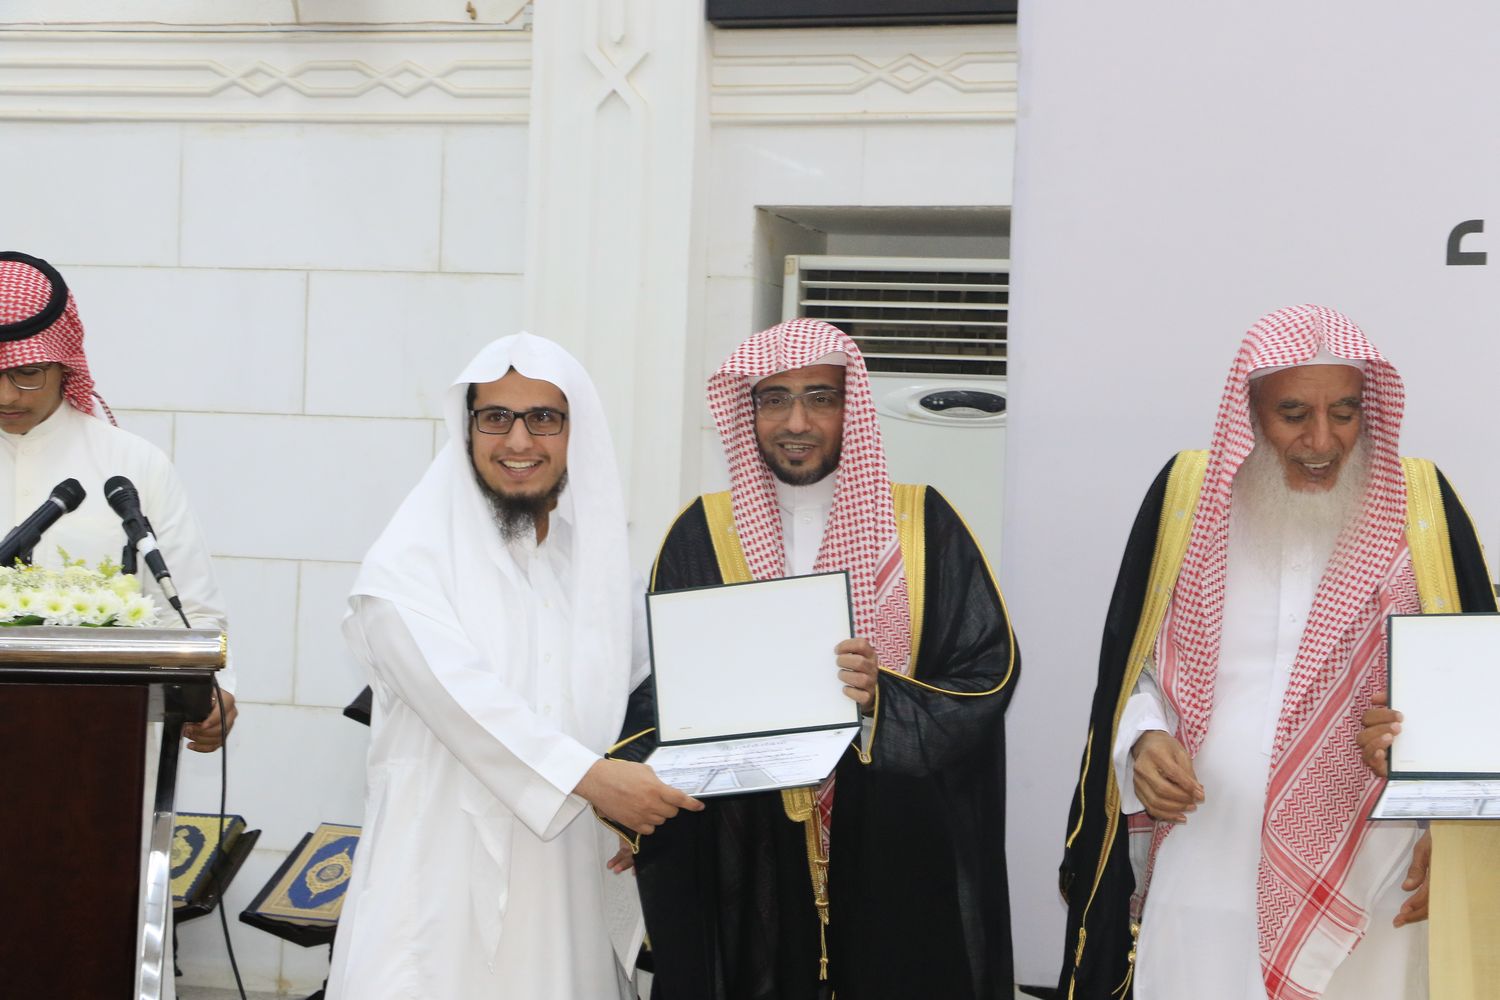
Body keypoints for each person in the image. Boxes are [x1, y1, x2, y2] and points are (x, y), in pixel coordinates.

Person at [1055, 304, 1496, 1000]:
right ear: (1250, 413)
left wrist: (1458, 831)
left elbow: (1473, 684)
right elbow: (1134, 665)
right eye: (1293, 414)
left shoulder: (1422, 505)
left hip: (1372, 866)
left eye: (1345, 412)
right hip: (1205, 846)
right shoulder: (1187, 498)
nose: (1322, 439)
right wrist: (1142, 739)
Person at [610, 318, 1019, 1000]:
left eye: (820, 398)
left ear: (849, 408)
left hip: (893, 847)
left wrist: (884, 698)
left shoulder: (923, 524)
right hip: (750, 854)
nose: (796, 422)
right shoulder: (701, 532)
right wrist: (630, 790)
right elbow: (661, 692)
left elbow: (986, 672)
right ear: (748, 411)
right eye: (775, 399)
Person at [326, 333, 701, 1000]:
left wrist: (635, 800)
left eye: (544, 418)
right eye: (496, 417)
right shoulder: (407, 565)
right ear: (467, 429)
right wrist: (599, 782)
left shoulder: (593, 568)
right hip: (438, 884)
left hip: (571, 879)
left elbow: (642, 697)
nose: (519, 440)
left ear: (574, 433)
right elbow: (464, 705)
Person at [0, 250, 235, 748]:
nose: (8, 395)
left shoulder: (131, 465)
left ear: (65, 364)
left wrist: (215, 692)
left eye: (28, 373)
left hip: (100, 747)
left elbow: (189, 608)